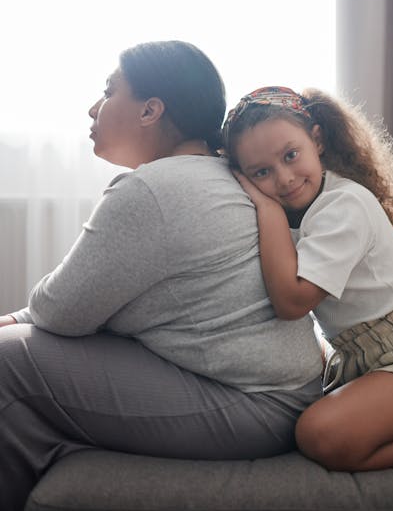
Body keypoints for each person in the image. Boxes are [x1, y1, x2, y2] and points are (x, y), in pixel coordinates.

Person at [0, 43, 323, 511]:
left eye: (109, 92)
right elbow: (78, 305)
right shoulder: (218, 173)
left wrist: (15, 324)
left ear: (151, 109)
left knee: (8, 362)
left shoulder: (152, 191)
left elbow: (59, 313)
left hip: (257, 406)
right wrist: (15, 318)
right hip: (279, 395)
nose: (94, 107)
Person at [223, 85, 393, 472]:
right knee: (321, 433)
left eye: (290, 155)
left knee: (318, 434)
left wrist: (265, 205)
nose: (284, 179)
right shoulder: (299, 210)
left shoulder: (343, 205)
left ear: (316, 140)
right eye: (262, 173)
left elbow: (292, 302)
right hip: (372, 356)